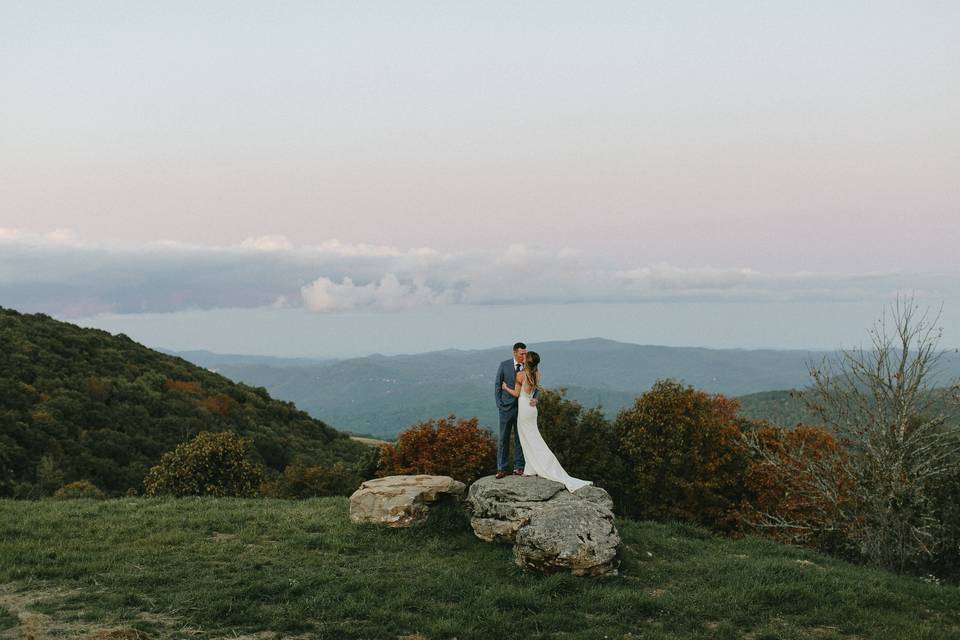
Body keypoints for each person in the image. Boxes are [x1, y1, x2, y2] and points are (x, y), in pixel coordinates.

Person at [501, 351, 592, 493]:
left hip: (525, 408)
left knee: (527, 439)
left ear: (527, 361)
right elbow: (535, 390)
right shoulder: (537, 374)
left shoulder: (520, 375)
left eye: (525, 356)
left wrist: (505, 387)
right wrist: (535, 398)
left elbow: (517, 394)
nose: (522, 357)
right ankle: (530, 468)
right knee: (532, 438)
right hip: (532, 409)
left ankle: (536, 466)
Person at [494, 342, 535, 479]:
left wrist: (535, 398)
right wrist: (500, 404)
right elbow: (497, 385)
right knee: (503, 438)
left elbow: (536, 385)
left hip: (522, 409)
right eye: (522, 353)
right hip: (506, 408)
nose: (524, 355)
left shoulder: (529, 367)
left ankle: (519, 467)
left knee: (520, 438)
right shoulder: (504, 365)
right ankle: (501, 468)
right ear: (514, 353)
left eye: (525, 353)